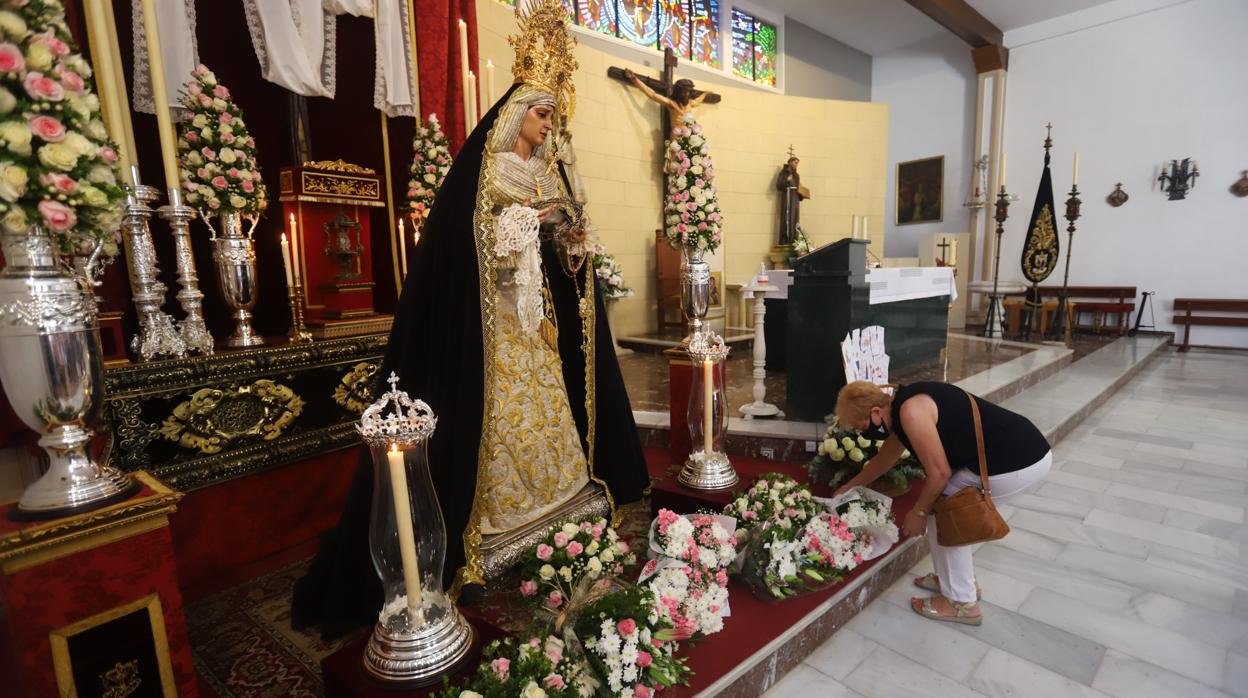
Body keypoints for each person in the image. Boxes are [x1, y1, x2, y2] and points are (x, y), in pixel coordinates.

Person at [291, 0, 649, 641]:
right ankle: (498, 516)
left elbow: (561, 258)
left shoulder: (547, 174)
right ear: (516, 113)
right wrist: (528, 221)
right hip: (496, 327)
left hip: (533, 327)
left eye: (552, 115)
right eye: (542, 113)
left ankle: (560, 500)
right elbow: (472, 239)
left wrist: (569, 239)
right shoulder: (489, 170)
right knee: (499, 419)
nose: (548, 125)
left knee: (550, 413)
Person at [832, 380, 1051, 626]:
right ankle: (954, 581)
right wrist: (852, 485)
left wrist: (919, 511)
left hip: (1018, 458)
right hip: (1017, 449)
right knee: (944, 509)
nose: (862, 433)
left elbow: (940, 474)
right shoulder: (898, 407)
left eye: (860, 427)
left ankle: (961, 602)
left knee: (949, 512)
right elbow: (885, 458)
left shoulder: (911, 412)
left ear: (875, 412)